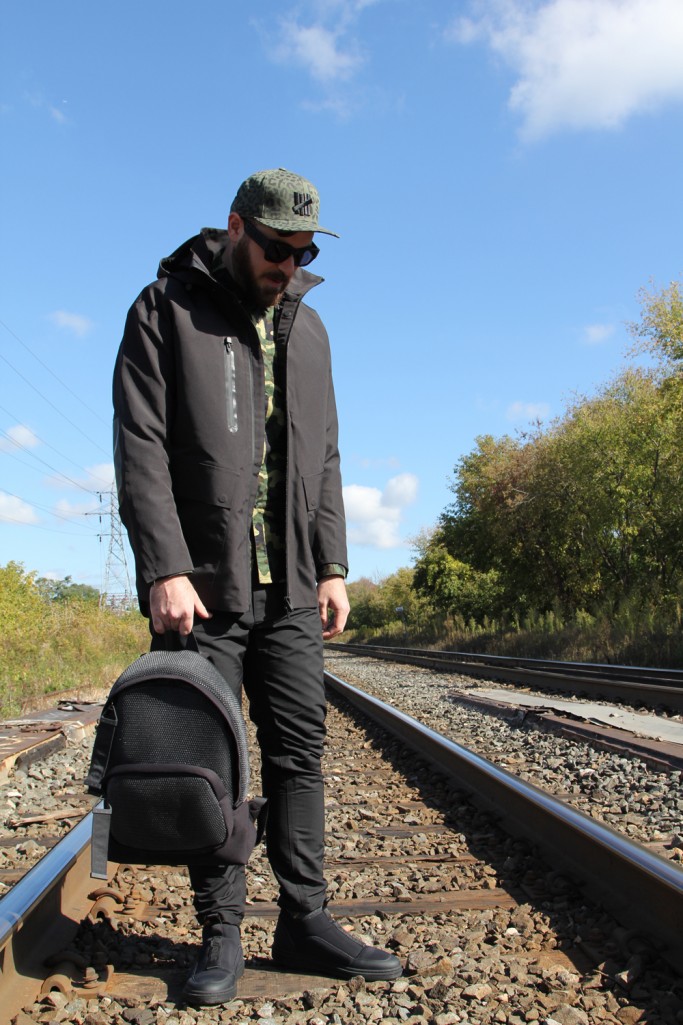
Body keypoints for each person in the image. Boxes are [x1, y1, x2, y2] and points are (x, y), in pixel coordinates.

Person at [113, 168, 402, 1006]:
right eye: (277, 247)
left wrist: (334, 563)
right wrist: (164, 565)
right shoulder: (165, 308)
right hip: (203, 582)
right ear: (236, 226)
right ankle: (221, 930)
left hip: (293, 585)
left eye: (303, 251)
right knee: (212, 753)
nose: (289, 264)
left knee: (299, 751)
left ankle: (304, 919)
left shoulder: (309, 329)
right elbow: (139, 444)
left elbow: (326, 455)